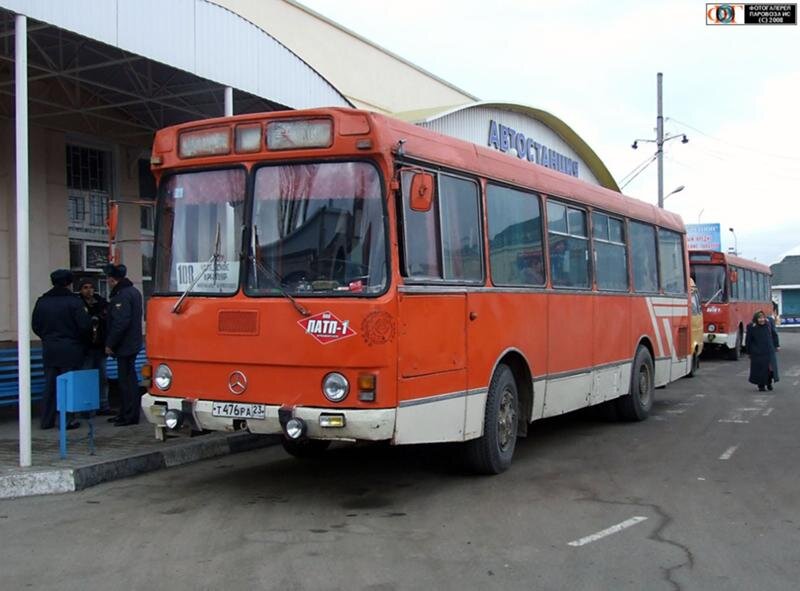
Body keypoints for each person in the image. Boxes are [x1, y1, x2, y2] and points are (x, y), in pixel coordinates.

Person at [31, 269, 91, 430]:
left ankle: (46, 420)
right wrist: (82, 342)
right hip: (71, 349)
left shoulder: (42, 301)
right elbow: (84, 326)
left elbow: (35, 325)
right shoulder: (74, 302)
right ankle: (67, 420)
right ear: (69, 283)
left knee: (50, 385)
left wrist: (48, 337)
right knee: (69, 385)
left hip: (50, 349)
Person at [103, 264, 143, 426]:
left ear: (113, 279)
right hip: (131, 343)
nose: (107, 281)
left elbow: (121, 322)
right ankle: (125, 413)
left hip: (125, 345)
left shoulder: (122, 295)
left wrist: (110, 343)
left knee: (126, 382)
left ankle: (129, 415)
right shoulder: (133, 292)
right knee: (128, 379)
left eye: (108, 279)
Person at [78, 277, 113, 415]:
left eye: (90, 287)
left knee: (102, 377)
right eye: (85, 287)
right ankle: (87, 407)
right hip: (86, 348)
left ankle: (103, 404)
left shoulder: (101, 303)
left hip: (100, 346)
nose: (89, 290)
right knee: (87, 377)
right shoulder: (78, 304)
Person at [745, 310, 780, 392]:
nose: (762, 320)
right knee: (760, 370)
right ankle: (761, 386)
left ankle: (769, 383)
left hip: (769, 350)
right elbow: (748, 340)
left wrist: (777, 345)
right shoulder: (751, 327)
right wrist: (749, 352)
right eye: (759, 318)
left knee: (770, 369)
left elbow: (774, 334)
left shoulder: (768, 324)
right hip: (757, 352)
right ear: (756, 319)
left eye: (763, 318)